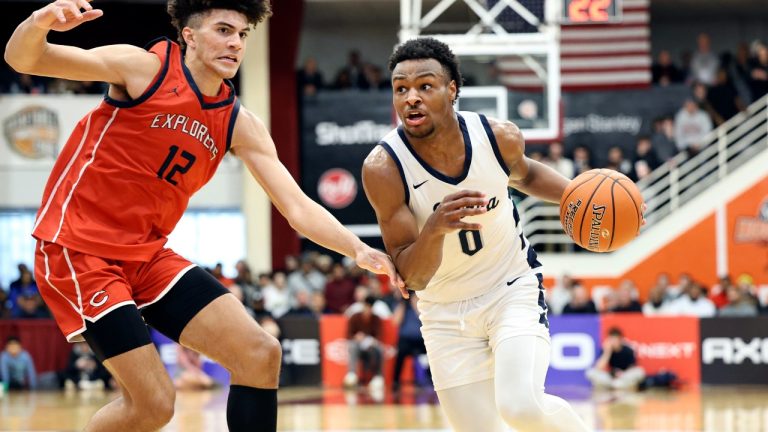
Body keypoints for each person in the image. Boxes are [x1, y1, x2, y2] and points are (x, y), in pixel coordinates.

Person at [5, 1, 402, 431]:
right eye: (223, 30)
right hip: (79, 248)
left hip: (147, 256)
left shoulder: (238, 122)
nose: (235, 43)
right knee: (153, 405)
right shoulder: (143, 69)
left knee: (259, 354)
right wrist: (38, 23)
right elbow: (25, 58)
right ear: (189, 36)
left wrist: (359, 249)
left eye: (243, 34)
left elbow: (297, 207)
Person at [362, 37, 590, 432]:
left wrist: (582, 196)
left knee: (521, 406)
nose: (410, 98)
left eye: (424, 86)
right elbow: (411, 277)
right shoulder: (384, 168)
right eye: (401, 89)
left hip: (509, 288)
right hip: (443, 312)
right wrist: (435, 228)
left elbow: (528, 174)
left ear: (452, 90)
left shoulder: (498, 136)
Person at [344, 296, 384, 391]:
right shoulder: (354, 317)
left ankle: (378, 377)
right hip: (357, 345)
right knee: (352, 345)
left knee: (379, 349)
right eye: (366, 307)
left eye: (370, 308)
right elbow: (348, 334)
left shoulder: (376, 319)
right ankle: (351, 375)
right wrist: (356, 337)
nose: (367, 310)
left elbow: (378, 336)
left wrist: (371, 340)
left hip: (370, 347)